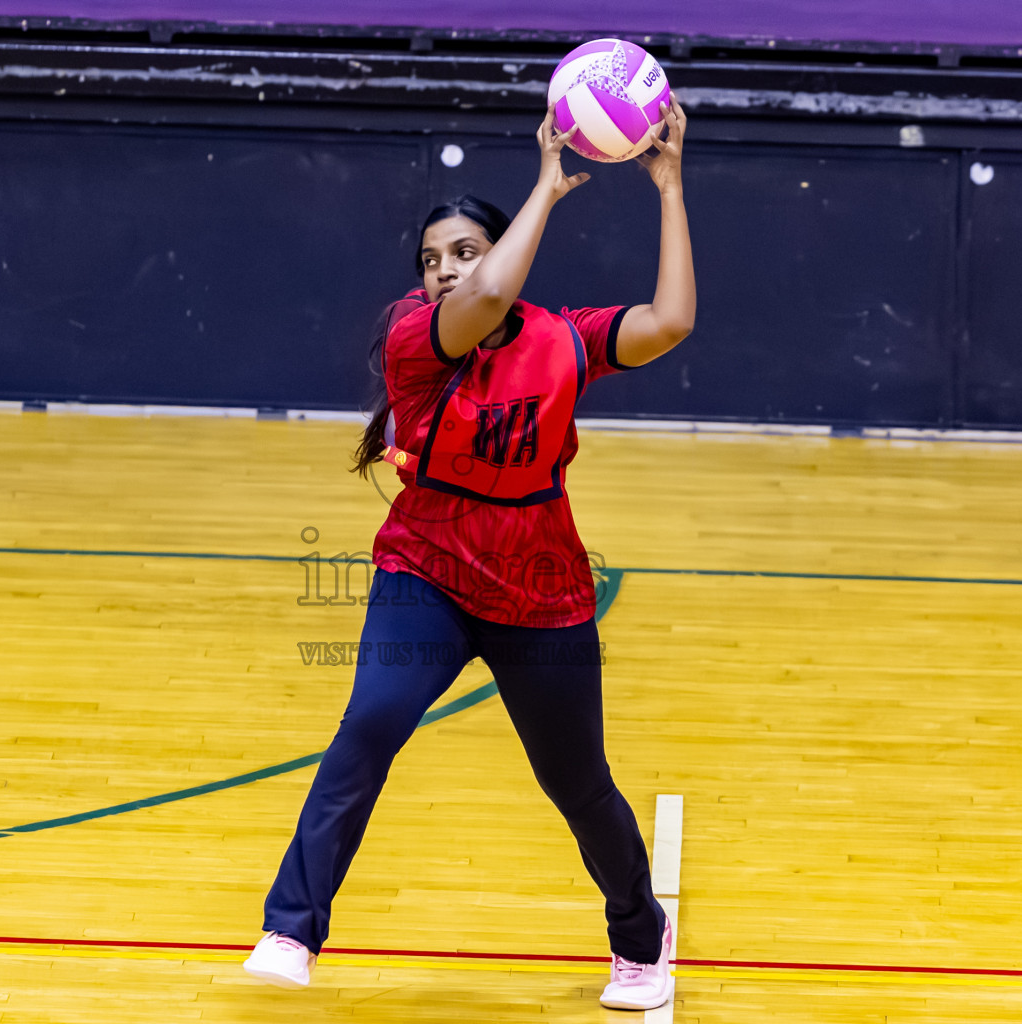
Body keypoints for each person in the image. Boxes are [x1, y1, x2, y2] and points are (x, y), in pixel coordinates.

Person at [243, 97, 696, 1012]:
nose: (446, 272)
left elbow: (671, 320)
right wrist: (545, 183)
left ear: (504, 253)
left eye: (464, 251)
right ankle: (292, 927)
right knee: (370, 723)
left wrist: (669, 185)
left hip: (542, 587)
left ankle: (641, 938)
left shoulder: (563, 338)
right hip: (430, 571)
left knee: (576, 783)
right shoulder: (419, 336)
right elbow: (486, 298)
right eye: (431, 259)